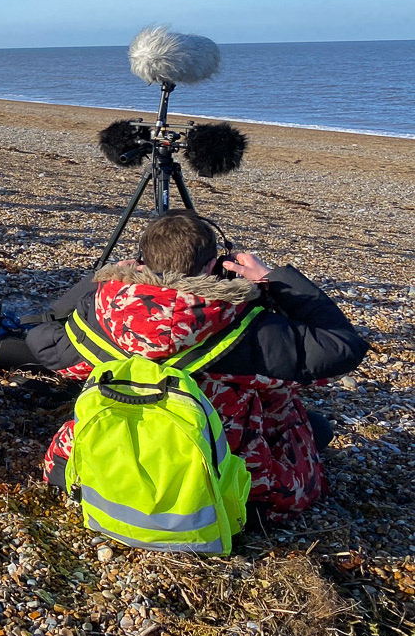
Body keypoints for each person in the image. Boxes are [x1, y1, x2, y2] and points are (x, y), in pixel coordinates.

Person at [18, 211, 367, 520]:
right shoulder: (249, 326)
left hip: (106, 468)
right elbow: (342, 347)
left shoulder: (104, 316)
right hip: (217, 485)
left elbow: (41, 336)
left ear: (141, 263)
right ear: (215, 267)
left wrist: (100, 282)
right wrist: (273, 280)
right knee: (315, 428)